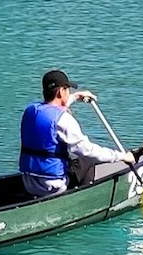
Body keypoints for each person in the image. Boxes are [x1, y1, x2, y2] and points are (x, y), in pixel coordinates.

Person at [18, 70, 112, 198]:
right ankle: (83, 198)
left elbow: (51, 110)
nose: (69, 93)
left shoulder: (31, 110)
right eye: (67, 89)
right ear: (61, 91)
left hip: (29, 183)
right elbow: (88, 151)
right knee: (88, 160)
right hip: (53, 186)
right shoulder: (65, 120)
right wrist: (121, 156)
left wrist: (76, 97)